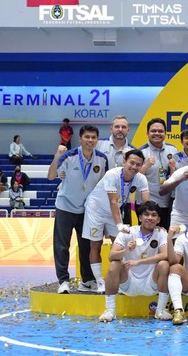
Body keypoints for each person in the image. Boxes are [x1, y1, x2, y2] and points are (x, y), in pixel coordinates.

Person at [47, 125, 109, 294]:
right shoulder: (68, 156)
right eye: (87, 137)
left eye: (93, 137)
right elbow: (51, 176)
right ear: (81, 139)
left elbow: (104, 184)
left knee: (87, 246)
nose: (90, 140)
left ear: (97, 140)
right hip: (65, 206)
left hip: (87, 210)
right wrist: (56, 157)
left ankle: (87, 280)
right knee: (61, 246)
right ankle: (63, 281)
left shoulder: (102, 159)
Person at [82, 149, 150, 294]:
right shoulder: (112, 174)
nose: (134, 167)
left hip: (114, 212)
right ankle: (100, 281)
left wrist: (150, 222)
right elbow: (113, 201)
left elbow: (146, 203)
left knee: (119, 246)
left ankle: (121, 280)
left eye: (138, 164)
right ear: (124, 161)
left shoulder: (140, 178)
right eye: (131, 163)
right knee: (95, 244)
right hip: (96, 209)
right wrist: (119, 224)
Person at [98, 201, 172, 322]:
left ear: (158, 220)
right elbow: (111, 256)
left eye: (154, 215)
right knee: (114, 264)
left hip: (151, 282)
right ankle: (110, 310)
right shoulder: (128, 233)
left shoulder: (161, 233)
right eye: (146, 214)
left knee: (164, 264)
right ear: (140, 218)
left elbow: (166, 254)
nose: (150, 218)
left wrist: (140, 262)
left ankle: (161, 309)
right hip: (128, 281)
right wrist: (127, 251)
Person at [138, 118, 179, 229]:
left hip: (168, 203)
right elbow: (135, 178)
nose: (157, 133)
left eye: (160, 131)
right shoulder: (141, 152)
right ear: (147, 133)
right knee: (147, 237)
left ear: (165, 133)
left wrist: (172, 168)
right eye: (153, 131)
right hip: (148, 204)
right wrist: (146, 165)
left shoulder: (173, 150)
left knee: (165, 236)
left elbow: (176, 178)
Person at [96, 115, 136, 224]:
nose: (120, 130)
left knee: (124, 237)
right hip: (100, 199)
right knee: (95, 239)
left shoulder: (133, 152)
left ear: (128, 130)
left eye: (123, 127)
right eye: (117, 126)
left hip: (123, 201)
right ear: (111, 128)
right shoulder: (98, 144)